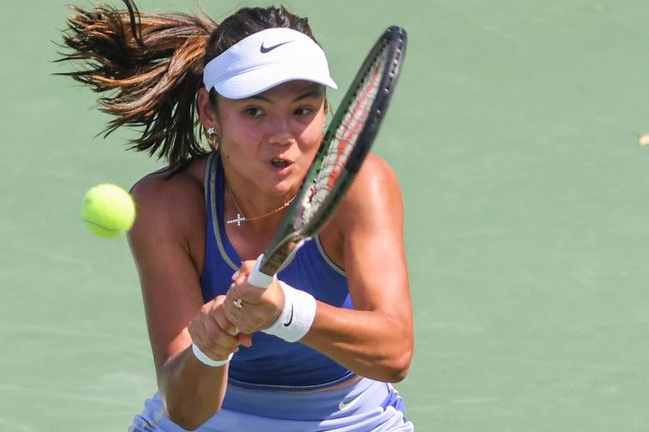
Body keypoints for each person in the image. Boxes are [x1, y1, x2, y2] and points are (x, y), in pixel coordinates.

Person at [59, 2, 414, 430]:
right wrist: (211, 346)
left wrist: (286, 312)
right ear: (210, 112)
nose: (282, 136)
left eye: (303, 110)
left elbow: (394, 352)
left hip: (347, 419)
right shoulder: (167, 206)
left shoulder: (359, 187)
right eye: (254, 112)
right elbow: (188, 411)